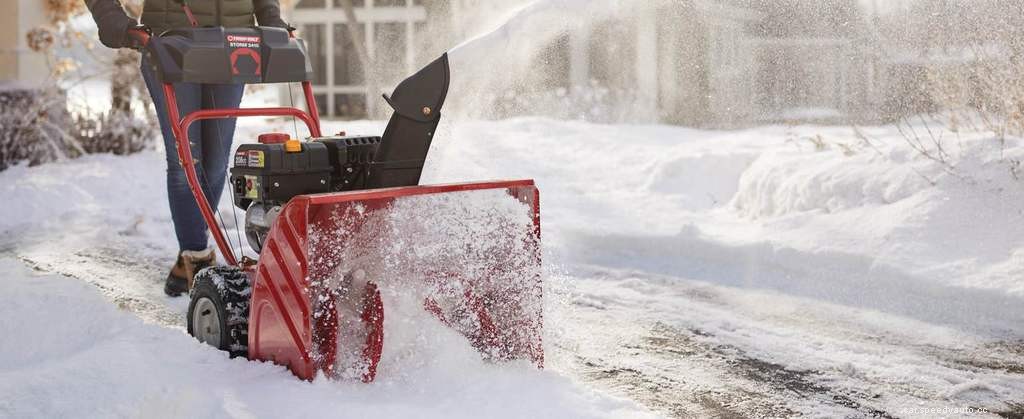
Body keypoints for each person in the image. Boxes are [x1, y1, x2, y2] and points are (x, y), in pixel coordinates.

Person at [85, 0, 290, 296]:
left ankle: (189, 262)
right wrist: (111, 19)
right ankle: (196, 256)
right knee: (186, 162)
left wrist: (271, 19)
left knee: (216, 164)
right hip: (172, 44)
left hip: (234, 44)